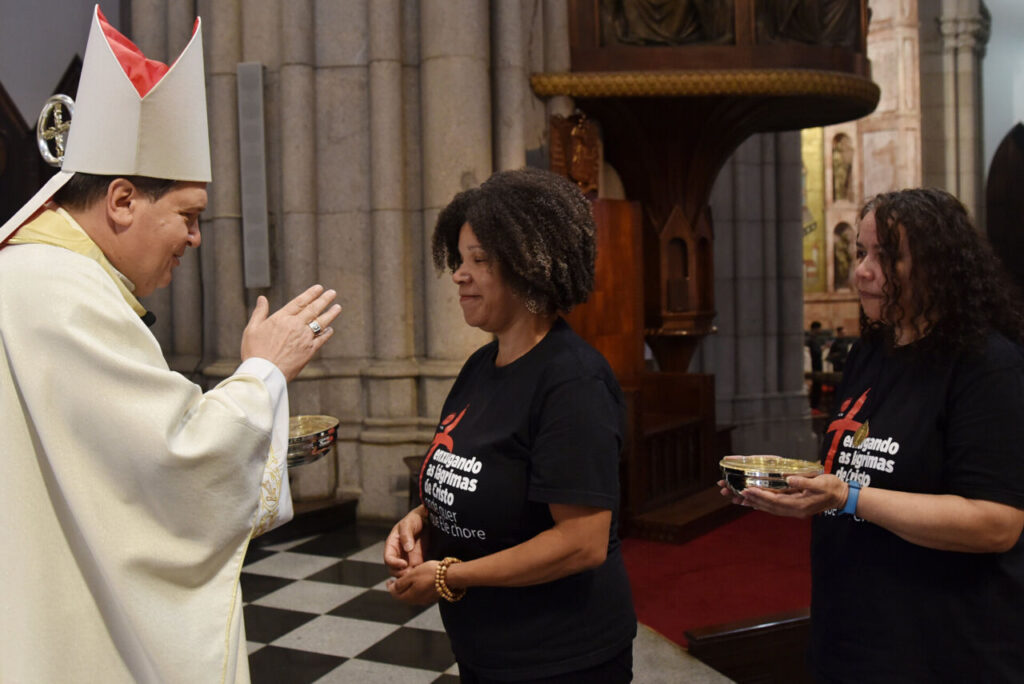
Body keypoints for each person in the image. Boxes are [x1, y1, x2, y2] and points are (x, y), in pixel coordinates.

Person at [0, 8, 341, 683]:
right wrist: (263, 372)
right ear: (122, 200)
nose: (195, 239)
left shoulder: (33, 275)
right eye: (187, 215)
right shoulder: (63, 296)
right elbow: (179, 466)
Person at [724, 188, 1024, 682]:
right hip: (852, 639)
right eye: (862, 252)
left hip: (945, 650)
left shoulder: (986, 367)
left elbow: (996, 523)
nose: (861, 270)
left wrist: (847, 497)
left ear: (939, 266)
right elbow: (853, 473)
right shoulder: (872, 353)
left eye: (886, 257)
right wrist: (793, 490)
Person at [384, 168, 637, 682]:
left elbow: (581, 541)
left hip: (560, 658)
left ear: (530, 268)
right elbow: (491, 477)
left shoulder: (573, 380)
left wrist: (452, 576)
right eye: (460, 259)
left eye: (479, 259)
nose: (459, 274)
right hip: (488, 650)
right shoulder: (481, 366)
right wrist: (424, 516)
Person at [805, 320, 825, 408]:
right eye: (820, 328)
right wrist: (821, 349)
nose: (821, 330)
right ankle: (814, 406)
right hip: (815, 365)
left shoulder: (813, 338)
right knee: (816, 386)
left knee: (817, 386)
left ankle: (815, 405)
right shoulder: (812, 339)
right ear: (816, 328)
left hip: (816, 364)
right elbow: (816, 352)